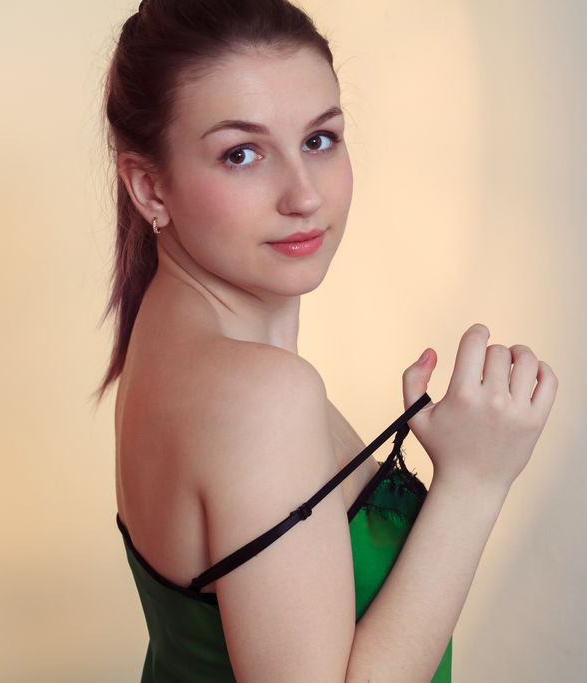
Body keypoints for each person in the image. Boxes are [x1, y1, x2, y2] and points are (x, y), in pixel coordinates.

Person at [96, 0, 557, 680]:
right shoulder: (258, 395)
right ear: (149, 187)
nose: (304, 195)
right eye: (242, 154)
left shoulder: (169, 337)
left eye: (319, 139)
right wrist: (474, 482)